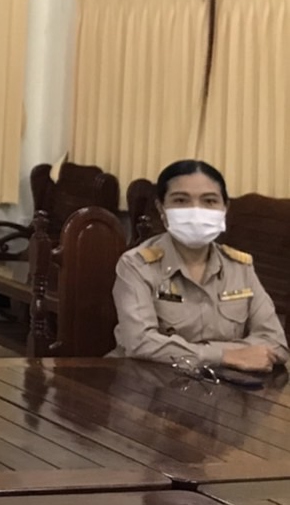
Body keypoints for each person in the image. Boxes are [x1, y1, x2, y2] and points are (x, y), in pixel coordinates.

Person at [111, 159, 288, 371]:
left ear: (225, 208)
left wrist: (196, 353)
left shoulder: (240, 267)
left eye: (209, 201)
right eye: (181, 200)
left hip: (224, 383)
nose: (196, 211)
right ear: (161, 209)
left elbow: (275, 342)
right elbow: (140, 343)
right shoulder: (136, 265)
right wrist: (225, 356)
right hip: (144, 380)